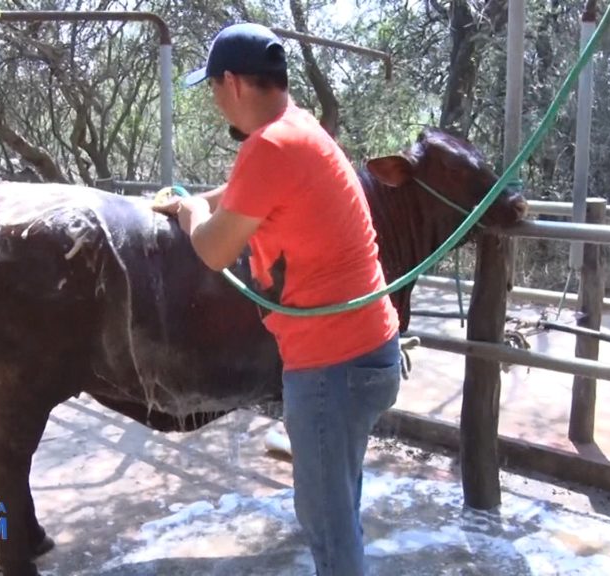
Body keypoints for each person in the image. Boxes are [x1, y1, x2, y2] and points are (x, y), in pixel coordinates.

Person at [153, 22, 401, 575]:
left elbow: (214, 250)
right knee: (340, 508)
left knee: (327, 524)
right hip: (368, 353)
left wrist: (190, 212)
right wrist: (196, 198)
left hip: (332, 366)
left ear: (234, 83)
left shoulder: (269, 146)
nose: (216, 101)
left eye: (213, 88)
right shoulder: (298, 129)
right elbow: (245, 192)